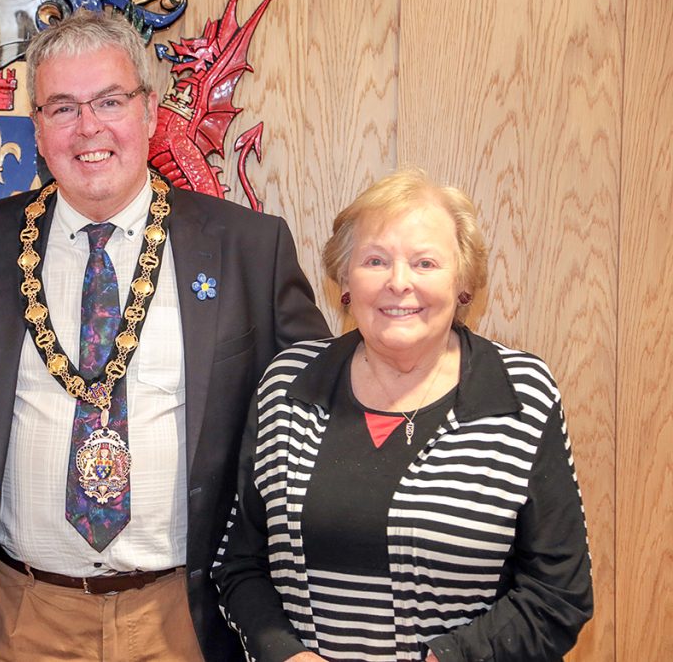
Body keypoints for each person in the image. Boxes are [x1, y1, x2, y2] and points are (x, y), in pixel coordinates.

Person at [0, 10, 329, 661]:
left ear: (151, 112)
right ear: (37, 129)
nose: (88, 127)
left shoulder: (246, 249)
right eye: (62, 107)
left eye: (110, 101)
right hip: (24, 616)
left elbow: (321, 409)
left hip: (181, 615)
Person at [212, 168, 594, 661]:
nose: (399, 283)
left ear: (463, 283)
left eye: (425, 263)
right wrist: (286, 654)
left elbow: (558, 593)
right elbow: (238, 562)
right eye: (375, 260)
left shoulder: (521, 391)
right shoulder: (288, 383)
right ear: (345, 280)